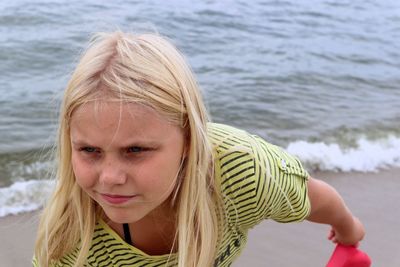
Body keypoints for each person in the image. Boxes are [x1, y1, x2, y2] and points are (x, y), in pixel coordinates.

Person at [33, 30, 365, 267]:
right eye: (89, 150)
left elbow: (314, 198)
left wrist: (349, 230)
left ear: (189, 139)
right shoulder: (71, 242)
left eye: (135, 150)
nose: (109, 178)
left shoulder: (242, 173)